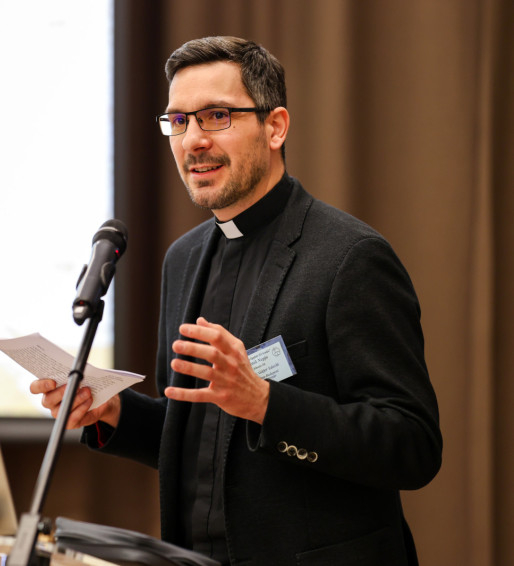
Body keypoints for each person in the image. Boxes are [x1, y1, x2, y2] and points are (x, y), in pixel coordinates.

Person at [31, 36, 442, 565]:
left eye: (216, 116)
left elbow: (413, 446)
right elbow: (200, 441)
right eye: (179, 121)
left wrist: (266, 403)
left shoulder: (349, 257)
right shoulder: (182, 259)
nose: (193, 141)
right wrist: (112, 412)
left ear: (276, 127)